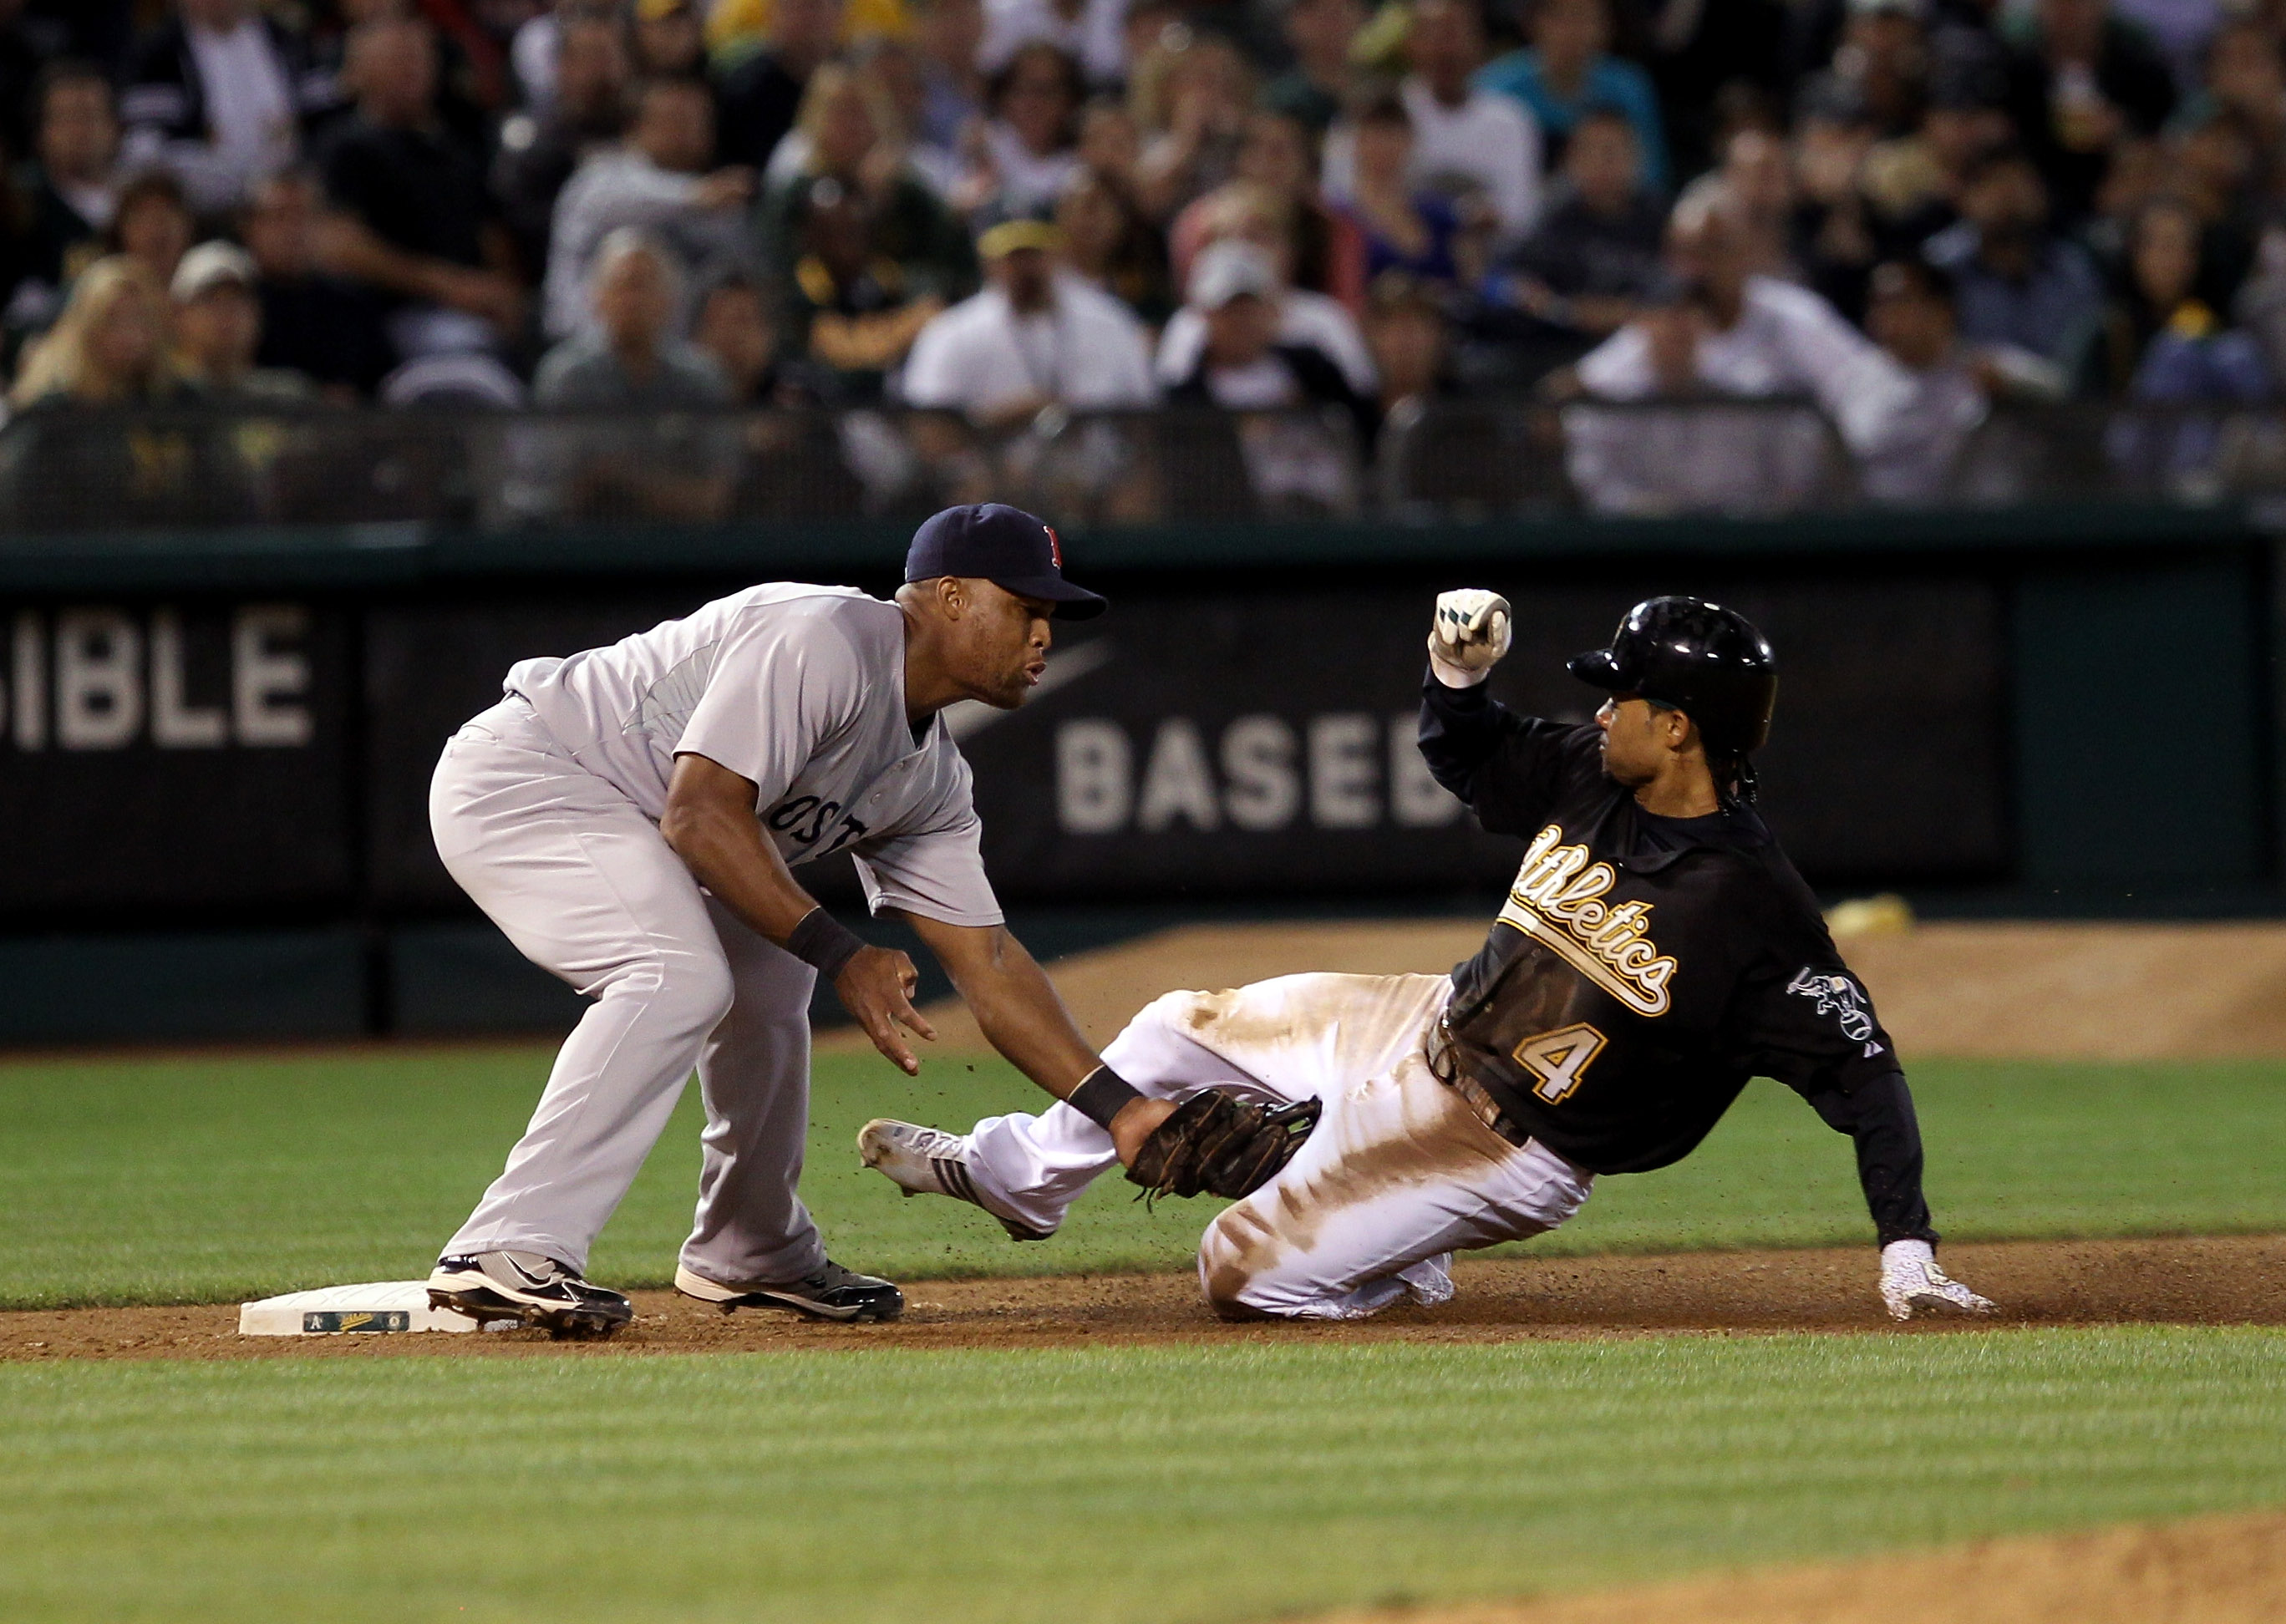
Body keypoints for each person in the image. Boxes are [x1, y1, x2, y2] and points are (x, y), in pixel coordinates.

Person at [861, 593, 1999, 1327]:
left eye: (1625, 696)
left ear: (1683, 729)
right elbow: (1471, 758)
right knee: (1168, 1026)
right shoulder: (1595, 775)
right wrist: (1455, 677)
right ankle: (1018, 1176)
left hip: (1510, 1145)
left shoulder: (1751, 904)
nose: (1601, 710)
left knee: (1240, 1274)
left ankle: (1390, 1264)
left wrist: (1905, 1245)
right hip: (1419, 1021)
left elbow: (1865, 1074)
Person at [422, 505, 1201, 1335]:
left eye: (1049, 616)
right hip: (535, 774)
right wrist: (844, 952)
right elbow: (699, 818)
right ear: (946, 597)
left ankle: (751, 1245)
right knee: (673, 974)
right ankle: (504, 1247)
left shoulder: (931, 782)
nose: (1042, 634)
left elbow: (991, 966)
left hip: (637, 819)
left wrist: (1123, 1112)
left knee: (767, 975)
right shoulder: (824, 637)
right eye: (1024, 608)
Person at [315, 15, 523, 358]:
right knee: (463, 346)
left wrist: (504, 291)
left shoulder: (459, 144)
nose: (413, 69)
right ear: (361, 72)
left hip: (476, 304)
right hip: (399, 313)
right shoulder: (346, 147)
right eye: (398, 59)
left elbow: (491, 231)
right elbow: (342, 247)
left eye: (421, 57)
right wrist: (451, 287)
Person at [533, 229, 739, 520]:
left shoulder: (701, 377)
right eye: (621, 286)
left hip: (682, 548)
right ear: (597, 298)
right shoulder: (567, 376)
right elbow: (554, 491)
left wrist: (623, 478)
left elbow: (715, 497)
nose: (632, 299)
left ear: (670, 298)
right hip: (581, 546)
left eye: (643, 285)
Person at [542, 76, 755, 339]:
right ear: (634, 128)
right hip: (584, 346)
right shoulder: (602, 175)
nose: (688, 131)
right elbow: (618, 199)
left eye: (699, 120)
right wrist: (694, 197)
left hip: (676, 360)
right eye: (675, 119)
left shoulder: (716, 200)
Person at [1323, 0, 1542, 247]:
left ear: (1480, 44)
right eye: (1432, 34)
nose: (1445, 49)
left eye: (1455, 34)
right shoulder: (1373, 113)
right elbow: (1336, 194)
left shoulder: (1512, 120)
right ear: (1410, 45)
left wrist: (1474, 220)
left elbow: (1522, 215)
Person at [902, 217, 1156, 425]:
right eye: (1012, 257)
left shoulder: (1109, 323)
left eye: (1034, 254)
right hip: (992, 476)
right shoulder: (952, 333)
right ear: (989, 263)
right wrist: (992, 421)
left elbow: (1144, 417)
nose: (1025, 268)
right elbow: (927, 426)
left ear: (1058, 254)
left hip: (1095, 476)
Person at [119, 0, 325, 214]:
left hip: (286, 188)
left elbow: (320, 111)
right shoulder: (159, 53)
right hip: (202, 199)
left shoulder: (286, 40)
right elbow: (147, 138)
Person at [1922, 145, 2106, 381]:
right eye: (1992, 185)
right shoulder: (1939, 266)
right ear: (1964, 197)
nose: (2008, 197)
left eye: (2020, 182)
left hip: (2060, 406)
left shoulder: (2073, 267)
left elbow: (2091, 355)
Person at [492, 13, 629, 282]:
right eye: (592, 55)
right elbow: (519, 223)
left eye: (614, 53)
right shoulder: (536, 141)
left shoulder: (643, 127)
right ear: (563, 65)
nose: (605, 68)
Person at [1476, 0, 1668, 190]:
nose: (1574, 29)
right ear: (1532, 22)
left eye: (1585, 17)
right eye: (1561, 16)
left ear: (1607, 26)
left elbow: (1650, 175)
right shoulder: (1496, 89)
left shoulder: (1630, 88)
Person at [241, 167, 394, 398]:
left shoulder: (352, 306)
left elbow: (381, 386)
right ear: (250, 227)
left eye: (304, 216)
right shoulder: (234, 300)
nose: (292, 230)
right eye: (279, 216)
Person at [8, 63, 123, 336]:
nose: (81, 130)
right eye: (66, 117)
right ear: (40, 134)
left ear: (114, 128)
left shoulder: (140, 205)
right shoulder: (21, 208)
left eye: (91, 115)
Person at [1326, 94, 1463, 288]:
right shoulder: (1336, 214)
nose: (1384, 144)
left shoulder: (1438, 213)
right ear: (1355, 140)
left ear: (1409, 140)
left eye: (1393, 133)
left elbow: (1468, 278)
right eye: (1374, 133)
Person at [170, 237, 313, 401]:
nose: (226, 312)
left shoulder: (288, 395)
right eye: (210, 300)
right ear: (179, 315)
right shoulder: (161, 396)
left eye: (238, 300)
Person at [716, 0, 846, 174]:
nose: (807, 18)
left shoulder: (861, 83)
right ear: (772, 15)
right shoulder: (741, 90)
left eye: (816, 6)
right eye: (796, 7)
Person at [1261, 0, 1367, 136]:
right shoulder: (1282, 105)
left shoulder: (1391, 79)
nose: (1331, 17)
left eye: (1344, 4)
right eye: (1312, 8)